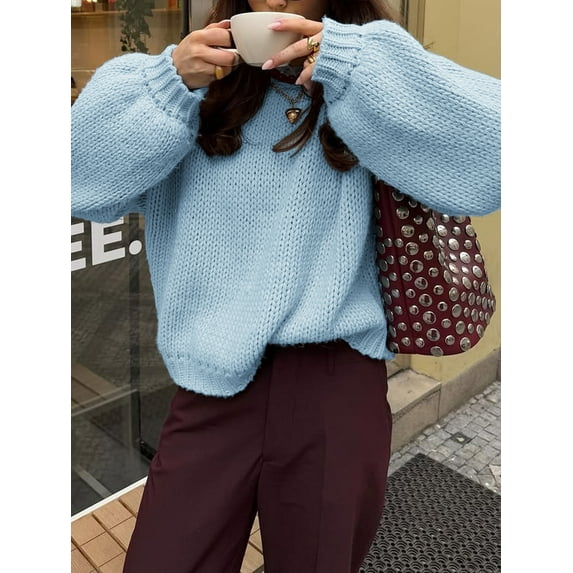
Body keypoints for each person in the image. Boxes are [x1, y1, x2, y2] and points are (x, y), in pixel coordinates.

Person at [71, 0, 500, 571]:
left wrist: (350, 64)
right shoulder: (183, 86)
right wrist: (170, 84)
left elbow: (497, 160)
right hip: (209, 384)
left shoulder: (370, 73)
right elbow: (77, 185)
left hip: (335, 385)